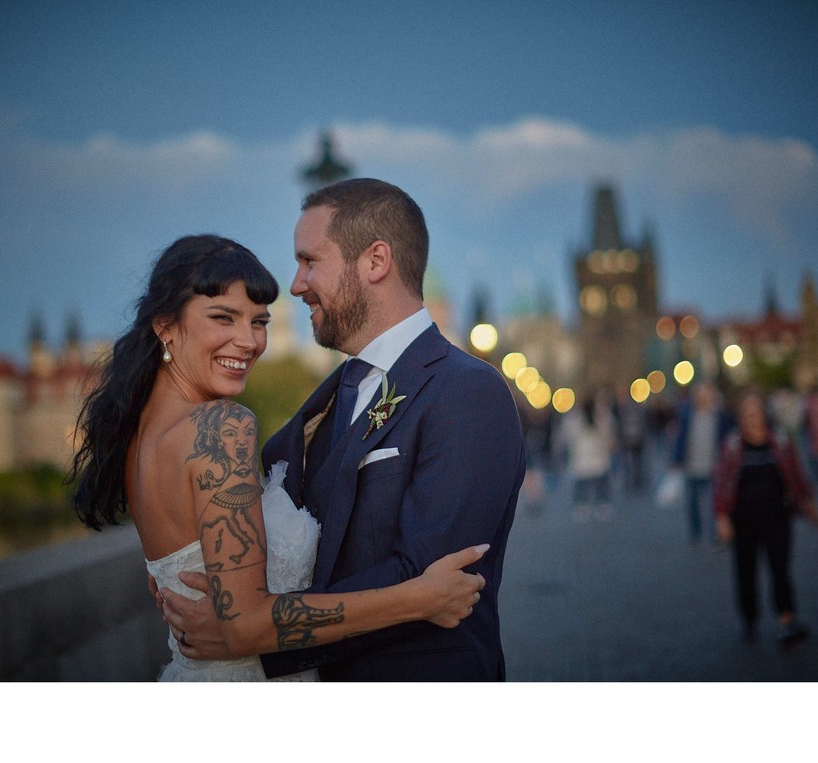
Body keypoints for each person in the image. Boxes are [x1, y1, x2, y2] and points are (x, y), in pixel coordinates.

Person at [68, 234, 488, 681]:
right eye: (223, 318)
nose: (248, 341)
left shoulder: (141, 433)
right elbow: (247, 626)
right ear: (165, 325)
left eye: (259, 322)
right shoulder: (221, 428)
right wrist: (420, 598)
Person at [161, 179, 526, 681]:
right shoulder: (328, 397)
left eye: (310, 261)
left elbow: (433, 580)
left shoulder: (467, 392)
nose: (295, 283)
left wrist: (250, 636)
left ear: (376, 261)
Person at [713, 389, 818, 645]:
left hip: (777, 519)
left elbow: (796, 475)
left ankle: (786, 619)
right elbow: (721, 483)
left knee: (780, 569)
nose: (752, 419)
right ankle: (749, 619)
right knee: (745, 572)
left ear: (764, 416)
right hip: (744, 521)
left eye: (756, 414)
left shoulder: (781, 442)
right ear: (741, 418)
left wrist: (808, 502)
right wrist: (722, 517)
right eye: (747, 415)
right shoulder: (731, 446)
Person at [672, 382, 730, 543]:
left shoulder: (719, 416)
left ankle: (715, 532)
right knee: (692, 503)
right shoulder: (687, 415)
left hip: (714, 467)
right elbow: (681, 437)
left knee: (714, 503)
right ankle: (696, 533)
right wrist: (677, 458)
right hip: (692, 466)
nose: (703, 397)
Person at [560, 395, 615, 522]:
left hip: (585, 456)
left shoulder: (598, 417)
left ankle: (585, 505)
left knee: (586, 482)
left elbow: (567, 435)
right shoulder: (601, 417)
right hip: (593, 456)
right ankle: (597, 504)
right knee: (596, 482)